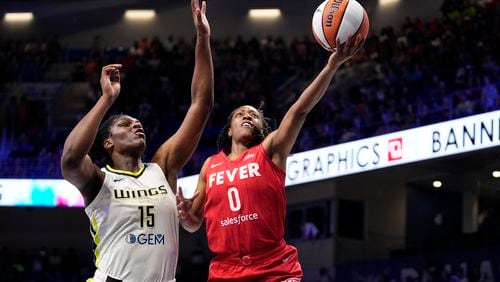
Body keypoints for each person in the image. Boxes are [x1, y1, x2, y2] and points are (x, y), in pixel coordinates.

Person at [177, 35, 365, 281]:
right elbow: (194, 224)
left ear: (261, 129)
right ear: (230, 129)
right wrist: (186, 217)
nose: (248, 116)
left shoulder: (270, 151)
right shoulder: (210, 166)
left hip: (274, 267)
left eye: (254, 116)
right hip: (226, 270)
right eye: (241, 114)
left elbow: (299, 111)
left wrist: (331, 66)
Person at [60, 1, 213, 281]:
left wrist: (203, 39)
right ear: (108, 142)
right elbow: (70, 158)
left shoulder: (162, 168)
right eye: (125, 124)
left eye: (137, 122)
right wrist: (107, 99)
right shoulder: (98, 180)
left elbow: (201, 105)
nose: (136, 124)